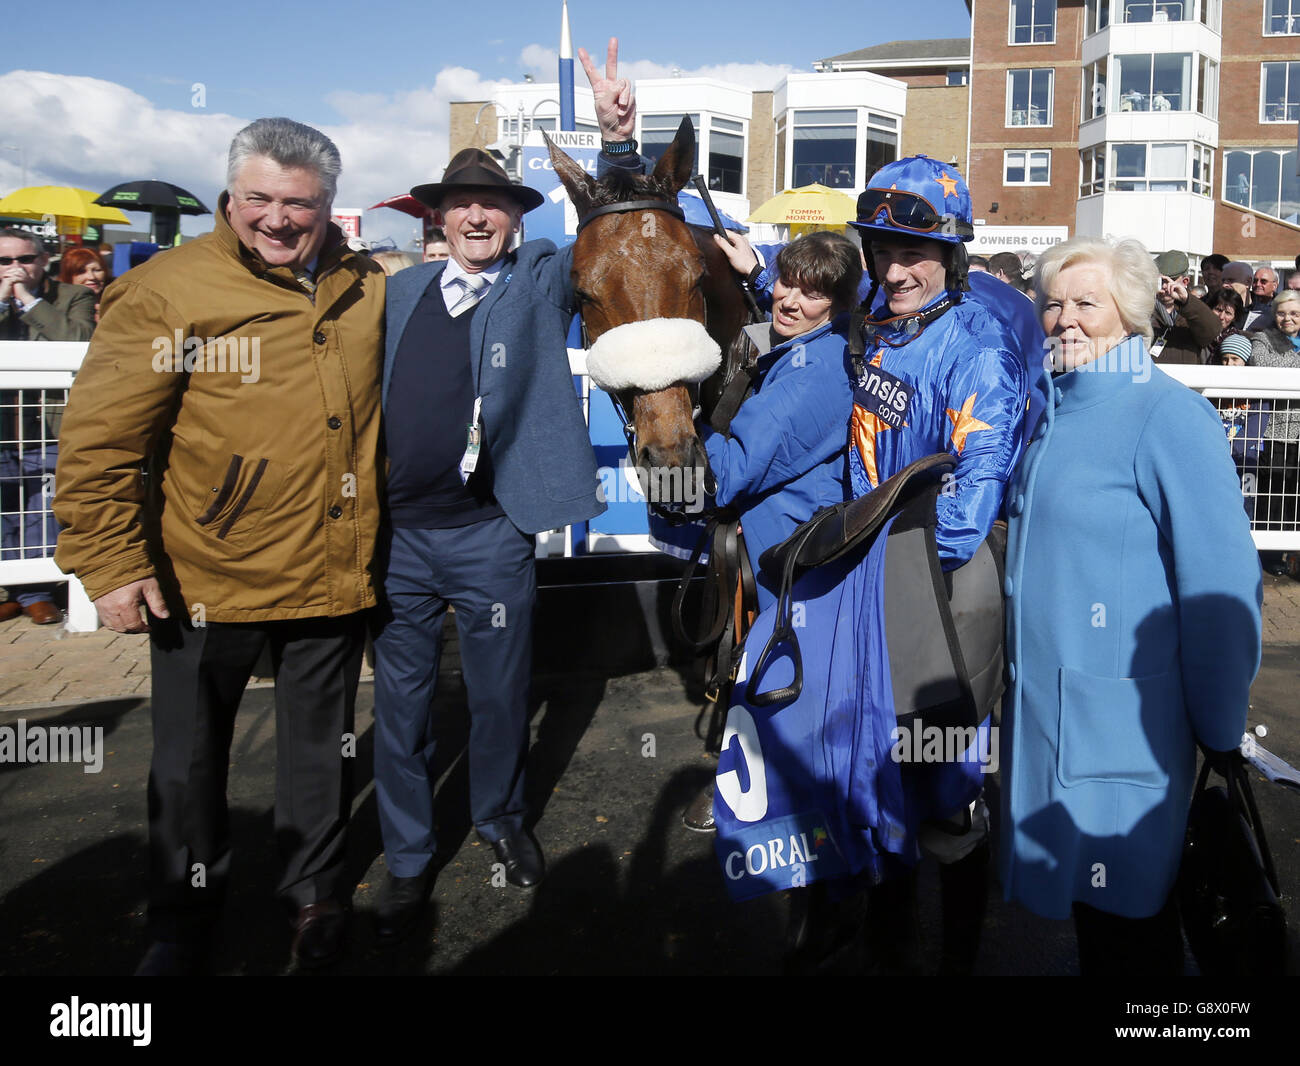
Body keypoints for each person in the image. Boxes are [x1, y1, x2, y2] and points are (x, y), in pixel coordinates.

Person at [53, 117, 385, 974]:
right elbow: (101, 440)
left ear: (329, 208)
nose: (278, 219)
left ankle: (314, 899)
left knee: (321, 749)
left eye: (299, 204)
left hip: (329, 565)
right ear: (231, 197)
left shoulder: (365, 283)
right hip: (205, 570)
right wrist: (112, 563)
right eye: (260, 200)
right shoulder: (168, 290)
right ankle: (180, 919)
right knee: (190, 758)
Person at [720, 156, 1028, 975]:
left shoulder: (979, 348)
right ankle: (888, 952)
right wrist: (760, 278)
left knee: (947, 793)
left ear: (954, 256)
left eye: (914, 253)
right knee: (878, 785)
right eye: (882, 248)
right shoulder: (878, 322)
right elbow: (802, 306)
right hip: (872, 584)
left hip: (940, 592)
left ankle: (955, 961)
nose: (896, 267)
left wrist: (869, 576)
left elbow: (967, 505)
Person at [368, 38, 633, 943]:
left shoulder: (540, 278)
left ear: (515, 219)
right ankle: (407, 858)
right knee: (399, 709)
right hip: (395, 538)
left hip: (490, 534)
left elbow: (610, 229)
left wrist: (615, 137)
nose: (476, 217)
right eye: (460, 205)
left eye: (492, 204)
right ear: (436, 217)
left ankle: (500, 823)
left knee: (496, 697)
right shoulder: (397, 296)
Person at [1000, 236, 1261, 975]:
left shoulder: (1167, 416)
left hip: (1124, 734)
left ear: (1132, 314)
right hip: (1053, 724)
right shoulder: (1049, 410)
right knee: (1098, 927)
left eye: (1087, 302)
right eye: (1053, 303)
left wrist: (1218, 726)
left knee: (1132, 935)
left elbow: (1218, 587)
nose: (1065, 319)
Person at [703, 230, 863, 607]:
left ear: (838, 305)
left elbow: (725, 476)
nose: (789, 302)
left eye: (812, 294)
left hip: (796, 578)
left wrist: (680, 414)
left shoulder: (815, 372)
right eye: (785, 283)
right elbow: (792, 307)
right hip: (783, 558)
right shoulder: (827, 341)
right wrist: (758, 274)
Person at [0, 228, 94, 626]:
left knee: (43, 504)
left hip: (53, 426)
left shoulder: (74, 297)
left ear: (44, 261)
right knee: (4, 507)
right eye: (5, 262)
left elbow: (81, 340)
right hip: (5, 427)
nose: (15, 269)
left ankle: (36, 595)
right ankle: (20, 592)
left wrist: (28, 301)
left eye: (24, 260)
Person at [1247, 288, 1300, 568]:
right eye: (1281, 313)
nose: (1287, 318)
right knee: (1275, 495)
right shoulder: (1263, 338)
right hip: (1277, 432)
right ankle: (1270, 556)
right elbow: (1263, 365)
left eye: (1294, 313)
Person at [1148, 249, 1221, 363]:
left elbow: (1213, 331)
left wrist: (1186, 300)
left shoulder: (1194, 311)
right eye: (1160, 281)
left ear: (1185, 282)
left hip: (1185, 377)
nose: (1164, 287)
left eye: (1170, 281)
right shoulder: (1144, 311)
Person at [57, 245, 111, 321]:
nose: (91, 277)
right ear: (68, 276)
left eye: (97, 270)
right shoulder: (56, 309)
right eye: (81, 272)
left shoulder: (119, 302)